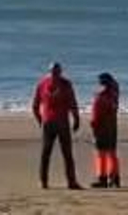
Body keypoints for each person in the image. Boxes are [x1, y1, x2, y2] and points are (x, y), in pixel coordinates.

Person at [31, 62, 83, 190]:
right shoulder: (63, 84)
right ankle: (69, 182)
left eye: (56, 72)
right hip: (59, 122)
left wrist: (40, 120)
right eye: (55, 72)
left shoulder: (44, 84)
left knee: (48, 153)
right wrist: (76, 119)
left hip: (51, 122)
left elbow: (35, 106)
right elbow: (72, 103)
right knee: (62, 153)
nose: (55, 75)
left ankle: (45, 181)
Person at [89, 72, 122, 188]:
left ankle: (102, 178)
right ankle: (115, 176)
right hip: (112, 125)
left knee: (101, 153)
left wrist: (93, 125)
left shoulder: (101, 97)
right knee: (112, 152)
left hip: (102, 127)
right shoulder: (114, 94)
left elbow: (96, 115)